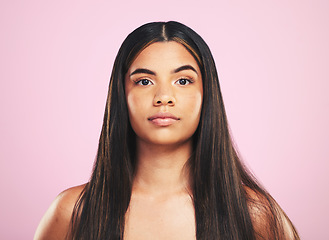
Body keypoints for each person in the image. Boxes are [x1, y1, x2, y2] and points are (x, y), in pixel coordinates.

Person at [34, 21, 300, 240]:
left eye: (183, 80)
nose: (163, 97)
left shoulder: (254, 214)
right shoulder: (72, 212)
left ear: (207, 94)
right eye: (145, 81)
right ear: (121, 95)